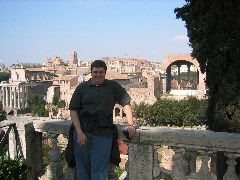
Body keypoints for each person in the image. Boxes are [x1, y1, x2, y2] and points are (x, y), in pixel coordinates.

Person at [69, 60, 136, 180]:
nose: (98, 75)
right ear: (91, 72)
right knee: (82, 168)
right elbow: (73, 110)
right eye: (95, 72)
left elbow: (126, 103)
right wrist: (79, 132)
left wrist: (131, 124)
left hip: (103, 133)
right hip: (83, 132)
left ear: (105, 73)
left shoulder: (112, 86)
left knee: (100, 170)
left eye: (101, 72)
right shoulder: (82, 88)